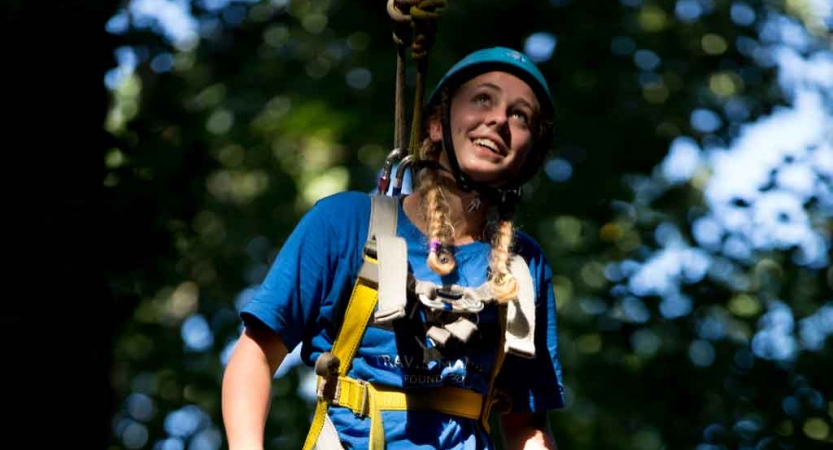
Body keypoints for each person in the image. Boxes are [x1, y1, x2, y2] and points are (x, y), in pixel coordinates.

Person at [222, 46, 565, 450]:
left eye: (519, 115)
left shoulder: (521, 266)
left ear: (528, 155)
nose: (498, 120)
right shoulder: (346, 224)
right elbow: (255, 357)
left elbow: (525, 426)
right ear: (437, 125)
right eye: (483, 99)